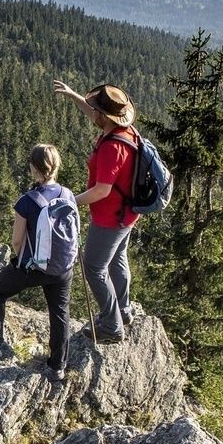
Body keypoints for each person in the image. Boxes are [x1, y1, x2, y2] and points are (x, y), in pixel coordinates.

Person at [53, 81, 138, 344]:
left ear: (105, 116)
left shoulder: (113, 147)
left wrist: (68, 201)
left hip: (110, 218)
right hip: (127, 214)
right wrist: (73, 95)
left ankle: (112, 327)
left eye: (96, 111)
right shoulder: (125, 131)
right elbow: (94, 114)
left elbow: (102, 190)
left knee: (94, 268)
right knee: (117, 259)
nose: (93, 114)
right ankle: (122, 311)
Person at [0, 144, 76, 382]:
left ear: (34, 168)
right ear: (56, 166)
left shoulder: (27, 201)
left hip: (34, 267)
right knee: (59, 313)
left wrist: (24, 262)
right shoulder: (68, 195)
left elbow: (17, 241)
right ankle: (57, 367)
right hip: (63, 267)